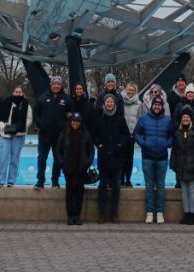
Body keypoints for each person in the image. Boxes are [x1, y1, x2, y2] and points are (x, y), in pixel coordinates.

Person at [134, 95, 172, 224]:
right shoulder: (144, 119)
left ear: (162, 106)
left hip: (162, 158)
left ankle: (160, 212)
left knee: (161, 186)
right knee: (149, 186)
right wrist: (143, 143)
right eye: (155, 104)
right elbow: (136, 133)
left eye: (159, 105)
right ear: (152, 106)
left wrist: (167, 143)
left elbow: (172, 135)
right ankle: (150, 212)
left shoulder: (167, 120)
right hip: (147, 157)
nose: (157, 107)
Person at [92, 94, 128, 222]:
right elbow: (94, 135)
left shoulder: (120, 118)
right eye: (107, 102)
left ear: (114, 104)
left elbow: (126, 135)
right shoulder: (100, 118)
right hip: (103, 157)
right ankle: (102, 213)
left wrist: (120, 145)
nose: (109, 104)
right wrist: (99, 145)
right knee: (102, 186)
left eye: (111, 102)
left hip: (117, 158)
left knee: (116, 186)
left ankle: (114, 213)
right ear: (104, 103)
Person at [56, 112, 94, 225]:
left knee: (79, 193)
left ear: (80, 123)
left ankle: (77, 215)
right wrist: (62, 163)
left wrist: (87, 163)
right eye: (74, 121)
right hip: (68, 168)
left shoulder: (86, 134)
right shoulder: (64, 133)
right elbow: (58, 150)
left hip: (81, 169)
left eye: (77, 121)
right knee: (69, 193)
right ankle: (70, 215)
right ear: (71, 122)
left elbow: (91, 150)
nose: (75, 123)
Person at [34, 75, 71, 189]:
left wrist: (65, 128)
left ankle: (55, 181)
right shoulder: (43, 97)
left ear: (61, 86)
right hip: (44, 135)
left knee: (58, 159)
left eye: (58, 84)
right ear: (51, 85)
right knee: (42, 158)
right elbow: (36, 113)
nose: (56, 86)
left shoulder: (66, 99)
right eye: (54, 84)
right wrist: (41, 125)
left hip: (59, 136)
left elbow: (70, 114)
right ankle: (40, 181)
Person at [171, 107, 194, 225]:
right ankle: (186, 214)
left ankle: (193, 215)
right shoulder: (177, 133)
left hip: (192, 166)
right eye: (184, 117)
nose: (185, 119)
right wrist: (173, 164)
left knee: (192, 191)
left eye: (187, 117)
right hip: (181, 166)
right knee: (184, 191)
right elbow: (174, 151)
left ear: (191, 120)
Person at [0, 85, 31, 188]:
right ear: (13, 93)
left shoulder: (26, 105)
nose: (18, 93)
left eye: (20, 92)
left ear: (22, 93)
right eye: (16, 92)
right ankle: (0, 181)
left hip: (19, 135)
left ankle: (11, 181)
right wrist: (5, 128)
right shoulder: (6, 103)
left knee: (14, 159)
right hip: (5, 135)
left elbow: (28, 120)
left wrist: (16, 129)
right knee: (3, 159)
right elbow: (0, 118)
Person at [119, 82, 141, 187]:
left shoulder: (139, 104)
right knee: (121, 158)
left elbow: (139, 119)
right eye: (129, 89)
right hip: (122, 135)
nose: (130, 91)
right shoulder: (120, 101)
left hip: (132, 135)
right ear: (126, 90)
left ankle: (128, 179)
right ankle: (121, 179)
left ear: (135, 91)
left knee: (129, 158)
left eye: (133, 90)